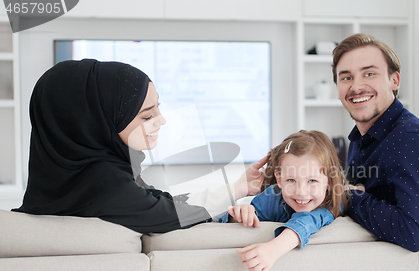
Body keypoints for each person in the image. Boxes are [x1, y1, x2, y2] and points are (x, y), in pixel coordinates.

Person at [13, 59, 267, 233]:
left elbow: (161, 202)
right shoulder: (105, 186)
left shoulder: (65, 184)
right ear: (96, 122)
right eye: (146, 115)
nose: (161, 120)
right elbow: (172, 213)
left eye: (159, 107)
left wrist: (239, 187)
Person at [331, 33, 419, 252]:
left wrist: (348, 195)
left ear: (394, 81)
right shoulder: (362, 136)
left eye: (369, 73)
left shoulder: (410, 138)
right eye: (346, 78)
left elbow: (414, 233)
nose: (356, 87)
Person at [219, 130, 348, 271]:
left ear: (330, 182)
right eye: (291, 180)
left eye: (312, 181)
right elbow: (222, 224)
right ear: (279, 179)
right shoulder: (273, 196)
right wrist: (238, 215)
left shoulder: (332, 203)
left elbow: (307, 220)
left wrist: (273, 249)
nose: (301, 192)